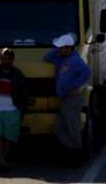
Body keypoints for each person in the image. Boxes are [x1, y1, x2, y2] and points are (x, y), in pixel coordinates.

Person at [44, 33, 91, 163]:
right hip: (65, 99)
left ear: (69, 48)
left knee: (72, 127)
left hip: (72, 98)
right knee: (60, 127)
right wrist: (57, 49)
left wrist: (76, 87)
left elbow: (86, 72)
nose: (59, 49)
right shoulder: (62, 58)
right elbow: (47, 57)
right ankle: (71, 149)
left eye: (61, 47)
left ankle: (76, 153)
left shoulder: (76, 61)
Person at [0, 48, 28, 172]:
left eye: (8, 58)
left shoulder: (17, 74)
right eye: (3, 58)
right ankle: (2, 160)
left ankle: (2, 161)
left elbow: (23, 93)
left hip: (12, 110)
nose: (6, 61)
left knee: (8, 136)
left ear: (12, 60)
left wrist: (22, 108)